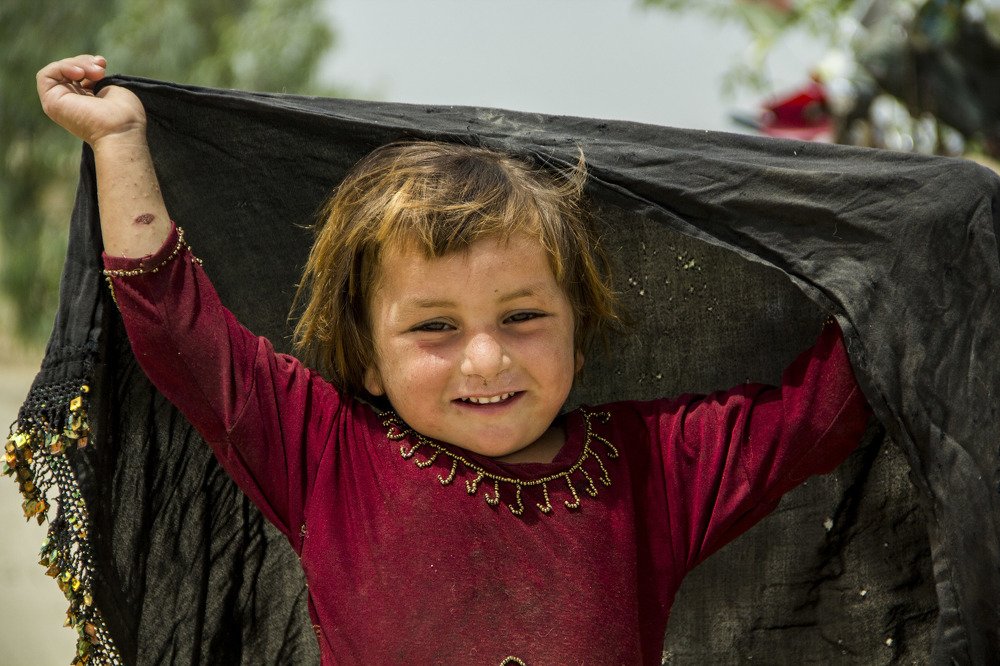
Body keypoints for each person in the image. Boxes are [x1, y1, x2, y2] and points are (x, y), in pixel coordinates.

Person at [37, 55, 871, 664]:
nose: (485, 360)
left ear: (580, 331)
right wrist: (119, 144)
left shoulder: (658, 468)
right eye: (434, 328)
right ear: (366, 356)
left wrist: (912, 260)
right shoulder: (323, 450)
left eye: (523, 316)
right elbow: (177, 328)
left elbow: (826, 406)